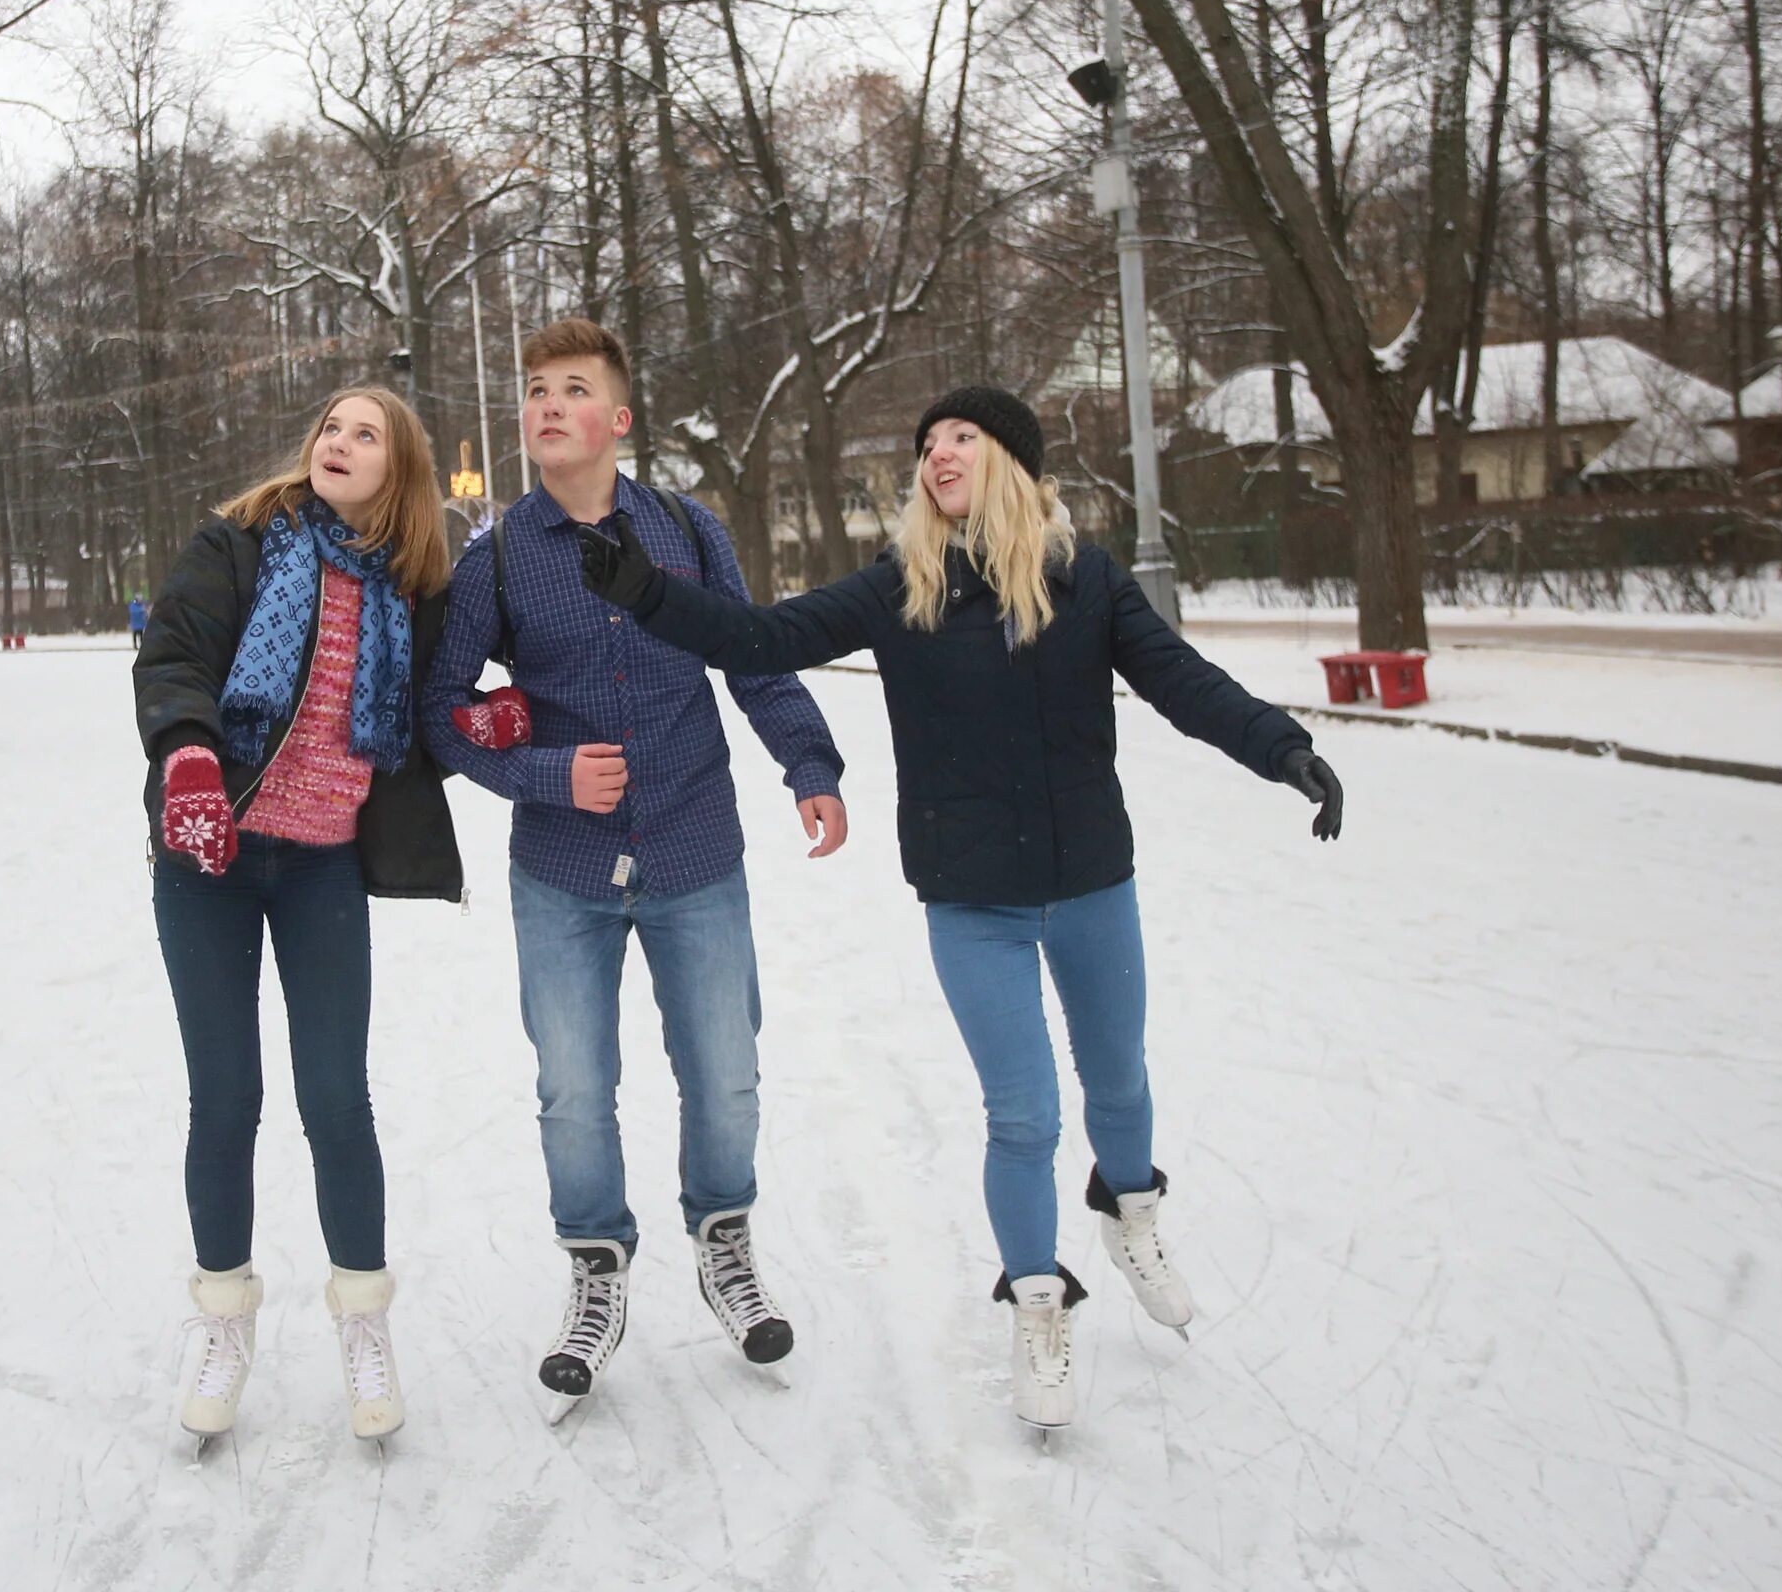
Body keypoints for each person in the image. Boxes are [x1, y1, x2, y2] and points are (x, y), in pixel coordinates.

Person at [571, 385, 1344, 1431]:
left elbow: (1186, 681)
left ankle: (1132, 1208)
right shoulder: (903, 588)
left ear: (1011, 462)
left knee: (1119, 1081)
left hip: (1089, 883)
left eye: (962, 438)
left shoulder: (1087, 582)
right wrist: (649, 594)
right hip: (972, 894)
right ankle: (1037, 1299)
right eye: (928, 441)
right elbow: (762, 637)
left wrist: (1284, 748)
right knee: (1024, 1110)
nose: (939, 454)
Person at [420, 319, 848, 1405]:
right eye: (534, 389)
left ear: (617, 419)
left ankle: (724, 1241)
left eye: (573, 388)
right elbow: (439, 711)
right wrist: (546, 774)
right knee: (574, 1090)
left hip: (696, 845)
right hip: (562, 869)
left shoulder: (689, 532)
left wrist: (810, 761)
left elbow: (754, 659)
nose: (547, 403)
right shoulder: (499, 557)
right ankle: (596, 1267)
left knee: (727, 1073)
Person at [132, 384, 525, 1448]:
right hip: (210, 847)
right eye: (330, 427)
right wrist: (190, 758)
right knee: (226, 1095)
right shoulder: (240, 543)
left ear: (399, 471)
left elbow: (426, 717)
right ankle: (223, 1320)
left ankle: (363, 1318)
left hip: (319, 870)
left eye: (367, 433)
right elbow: (171, 659)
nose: (338, 443)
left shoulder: (411, 589)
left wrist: (480, 718)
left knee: (336, 1100)